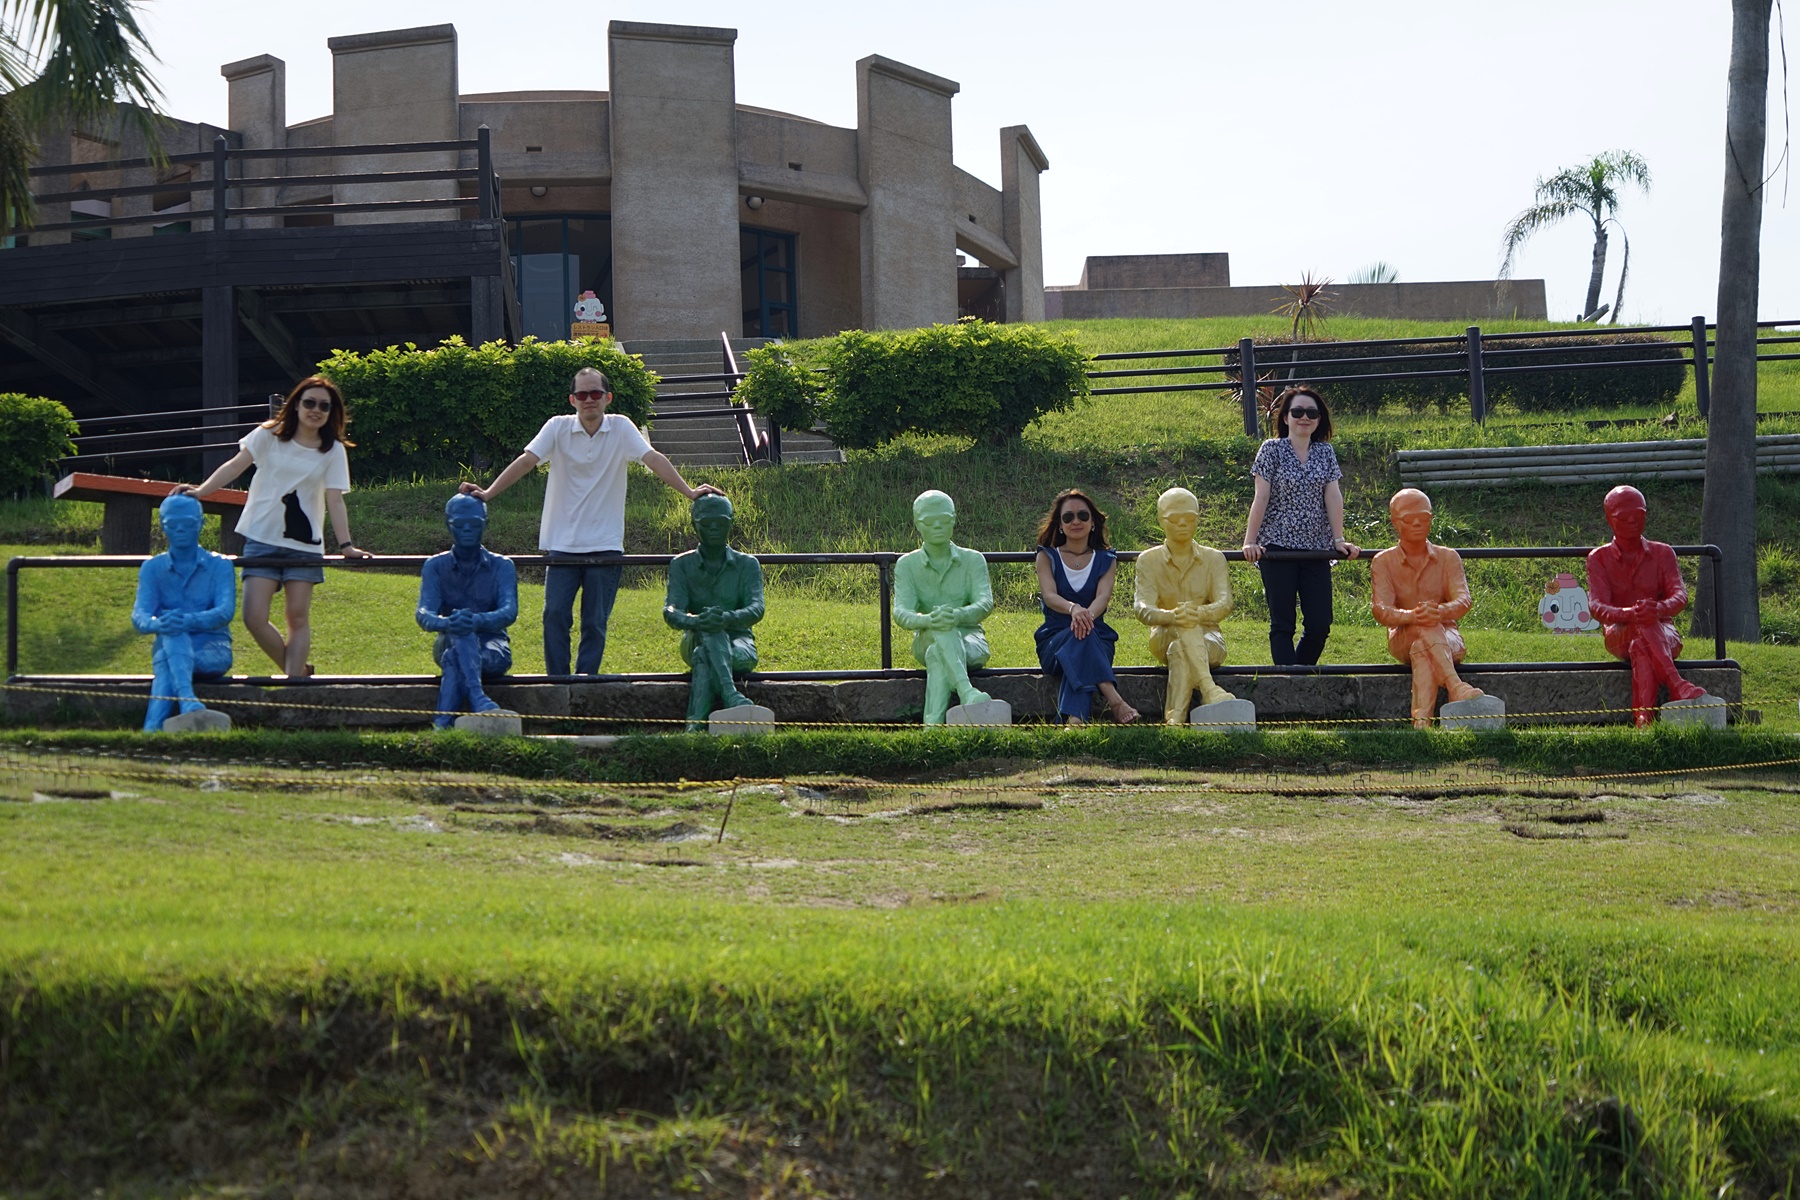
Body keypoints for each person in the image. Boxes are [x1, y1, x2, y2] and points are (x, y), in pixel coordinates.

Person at [461, 366, 722, 675]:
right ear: (572, 399)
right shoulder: (556, 427)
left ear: (607, 398)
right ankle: (558, 683)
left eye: (595, 393)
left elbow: (652, 458)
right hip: (562, 544)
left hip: (606, 544)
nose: (589, 400)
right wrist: (488, 493)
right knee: (554, 616)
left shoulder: (621, 427)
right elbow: (527, 461)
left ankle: (586, 683)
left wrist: (689, 492)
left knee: (594, 622)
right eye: (582, 394)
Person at [178, 375, 373, 678]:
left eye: (324, 406)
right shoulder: (269, 434)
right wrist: (201, 491)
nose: (316, 410)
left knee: (297, 617)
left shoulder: (333, 449)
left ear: (331, 412)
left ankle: (293, 688)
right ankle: (297, 673)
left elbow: (335, 500)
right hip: (261, 537)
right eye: (309, 402)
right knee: (253, 616)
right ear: (296, 404)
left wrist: (346, 546)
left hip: (304, 546)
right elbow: (236, 465)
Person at [1242, 386, 1360, 664]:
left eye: (1311, 413)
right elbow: (1261, 496)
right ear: (1285, 418)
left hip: (1316, 549)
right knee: (1282, 623)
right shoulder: (1271, 450)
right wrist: (1250, 541)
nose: (1304, 417)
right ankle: (1289, 679)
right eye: (1297, 412)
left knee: (1320, 623)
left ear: (1319, 420)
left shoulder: (1325, 452)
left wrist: (1338, 540)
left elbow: (1333, 496)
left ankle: (1299, 674)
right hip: (1277, 546)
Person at [1587, 485, 1710, 726]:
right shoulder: (1598, 558)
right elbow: (1597, 606)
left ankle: (1643, 719)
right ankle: (1676, 683)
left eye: (1639, 514)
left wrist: (1658, 609)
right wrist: (1629, 614)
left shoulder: (1663, 553)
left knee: (1641, 644)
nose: (1633, 521)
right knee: (1642, 624)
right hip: (1618, 632)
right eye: (1624, 516)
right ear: (1609, 520)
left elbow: (1680, 595)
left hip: (1663, 630)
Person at [1370, 488, 1485, 729]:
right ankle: (1455, 685)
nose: (1416, 524)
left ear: (1431, 518)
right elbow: (1380, 610)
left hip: (1447, 636)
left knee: (1422, 646)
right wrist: (1412, 616)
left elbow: (1464, 599)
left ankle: (1422, 723)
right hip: (1402, 635)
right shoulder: (1383, 561)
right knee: (1425, 626)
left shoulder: (1448, 557)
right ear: (1394, 522)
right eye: (1408, 519)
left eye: (1423, 518)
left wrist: (1440, 612)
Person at [130, 492, 236, 732]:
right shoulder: (152, 568)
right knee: (172, 635)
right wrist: (157, 624)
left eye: (187, 523)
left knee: (170, 645)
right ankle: (185, 701)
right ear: (162, 525)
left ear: (201, 523)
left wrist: (187, 621)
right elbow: (140, 614)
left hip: (213, 650)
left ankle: (152, 728)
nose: (179, 529)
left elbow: (225, 611)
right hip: (170, 648)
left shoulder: (220, 565)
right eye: (171, 524)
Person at [1033, 489, 1137, 725]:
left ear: (1093, 522)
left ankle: (1075, 720)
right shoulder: (1047, 557)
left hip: (1098, 638)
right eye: (1068, 517)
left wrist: (1086, 616)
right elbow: (1050, 596)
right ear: (1060, 525)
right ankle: (1115, 700)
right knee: (1080, 637)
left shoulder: (1106, 559)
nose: (1076, 521)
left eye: (1083, 515)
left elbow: (1103, 597)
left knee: (1082, 637)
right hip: (1055, 640)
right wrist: (1074, 610)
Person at [1134, 486, 1237, 724]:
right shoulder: (1148, 560)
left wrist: (1198, 613)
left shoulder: (1214, 559)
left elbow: (1225, 602)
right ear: (1161, 520)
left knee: (1179, 649)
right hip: (1163, 634)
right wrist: (1172, 617)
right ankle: (1209, 688)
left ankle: (1175, 720)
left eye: (1189, 518)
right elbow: (1142, 607)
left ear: (1198, 519)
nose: (1182, 523)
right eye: (1174, 518)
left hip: (1209, 638)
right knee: (1182, 628)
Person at [664, 493, 766, 732]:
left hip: (740, 643)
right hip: (694, 637)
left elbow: (756, 608)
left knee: (704, 653)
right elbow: (671, 610)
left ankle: (694, 726)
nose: (713, 528)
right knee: (710, 631)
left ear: (730, 523)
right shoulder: (681, 565)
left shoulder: (747, 564)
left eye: (720, 522)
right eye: (706, 522)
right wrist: (698, 621)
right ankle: (730, 694)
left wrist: (727, 618)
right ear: (694, 524)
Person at [893, 489, 995, 725]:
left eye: (944, 519)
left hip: (971, 642)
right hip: (925, 637)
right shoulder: (907, 565)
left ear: (954, 519)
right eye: (929, 521)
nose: (938, 526)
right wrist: (929, 620)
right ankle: (966, 691)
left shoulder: (973, 560)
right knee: (941, 631)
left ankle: (932, 727)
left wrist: (957, 616)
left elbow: (985, 603)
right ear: (917, 524)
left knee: (936, 653)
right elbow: (901, 612)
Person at [417, 494, 519, 729]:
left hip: (492, 647)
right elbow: (423, 612)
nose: (466, 530)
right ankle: (477, 697)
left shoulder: (502, 565)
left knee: (454, 656)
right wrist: (447, 623)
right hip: (448, 639)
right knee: (460, 634)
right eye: (459, 524)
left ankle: (442, 722)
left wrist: (475, 621)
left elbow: (509, 611)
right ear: (448, 525)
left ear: (485, 524)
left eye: (474, 524)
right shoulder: (435, 566)